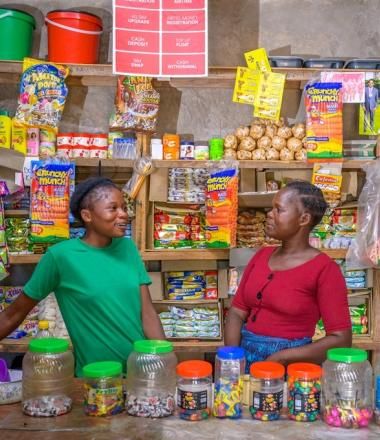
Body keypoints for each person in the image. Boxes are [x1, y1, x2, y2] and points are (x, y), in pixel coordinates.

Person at [0, 177, 165, 376]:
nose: (124, 214)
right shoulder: (60, 257)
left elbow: (147, 313)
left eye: (124, 207)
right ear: (87, 215)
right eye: (113, 209)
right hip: (95, 380)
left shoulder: (128, 248)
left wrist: (163, 361)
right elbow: (14, 313)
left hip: (139, 374)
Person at [224, 180, 352, 371]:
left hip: (293, 367)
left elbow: (341, 339)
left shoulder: (325, 270)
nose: (269, 214)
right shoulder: (261, 256)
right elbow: (237, 312)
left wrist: (281, 359)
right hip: (244, 359)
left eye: (278, 210)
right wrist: (233, 358)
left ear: (303, 219)